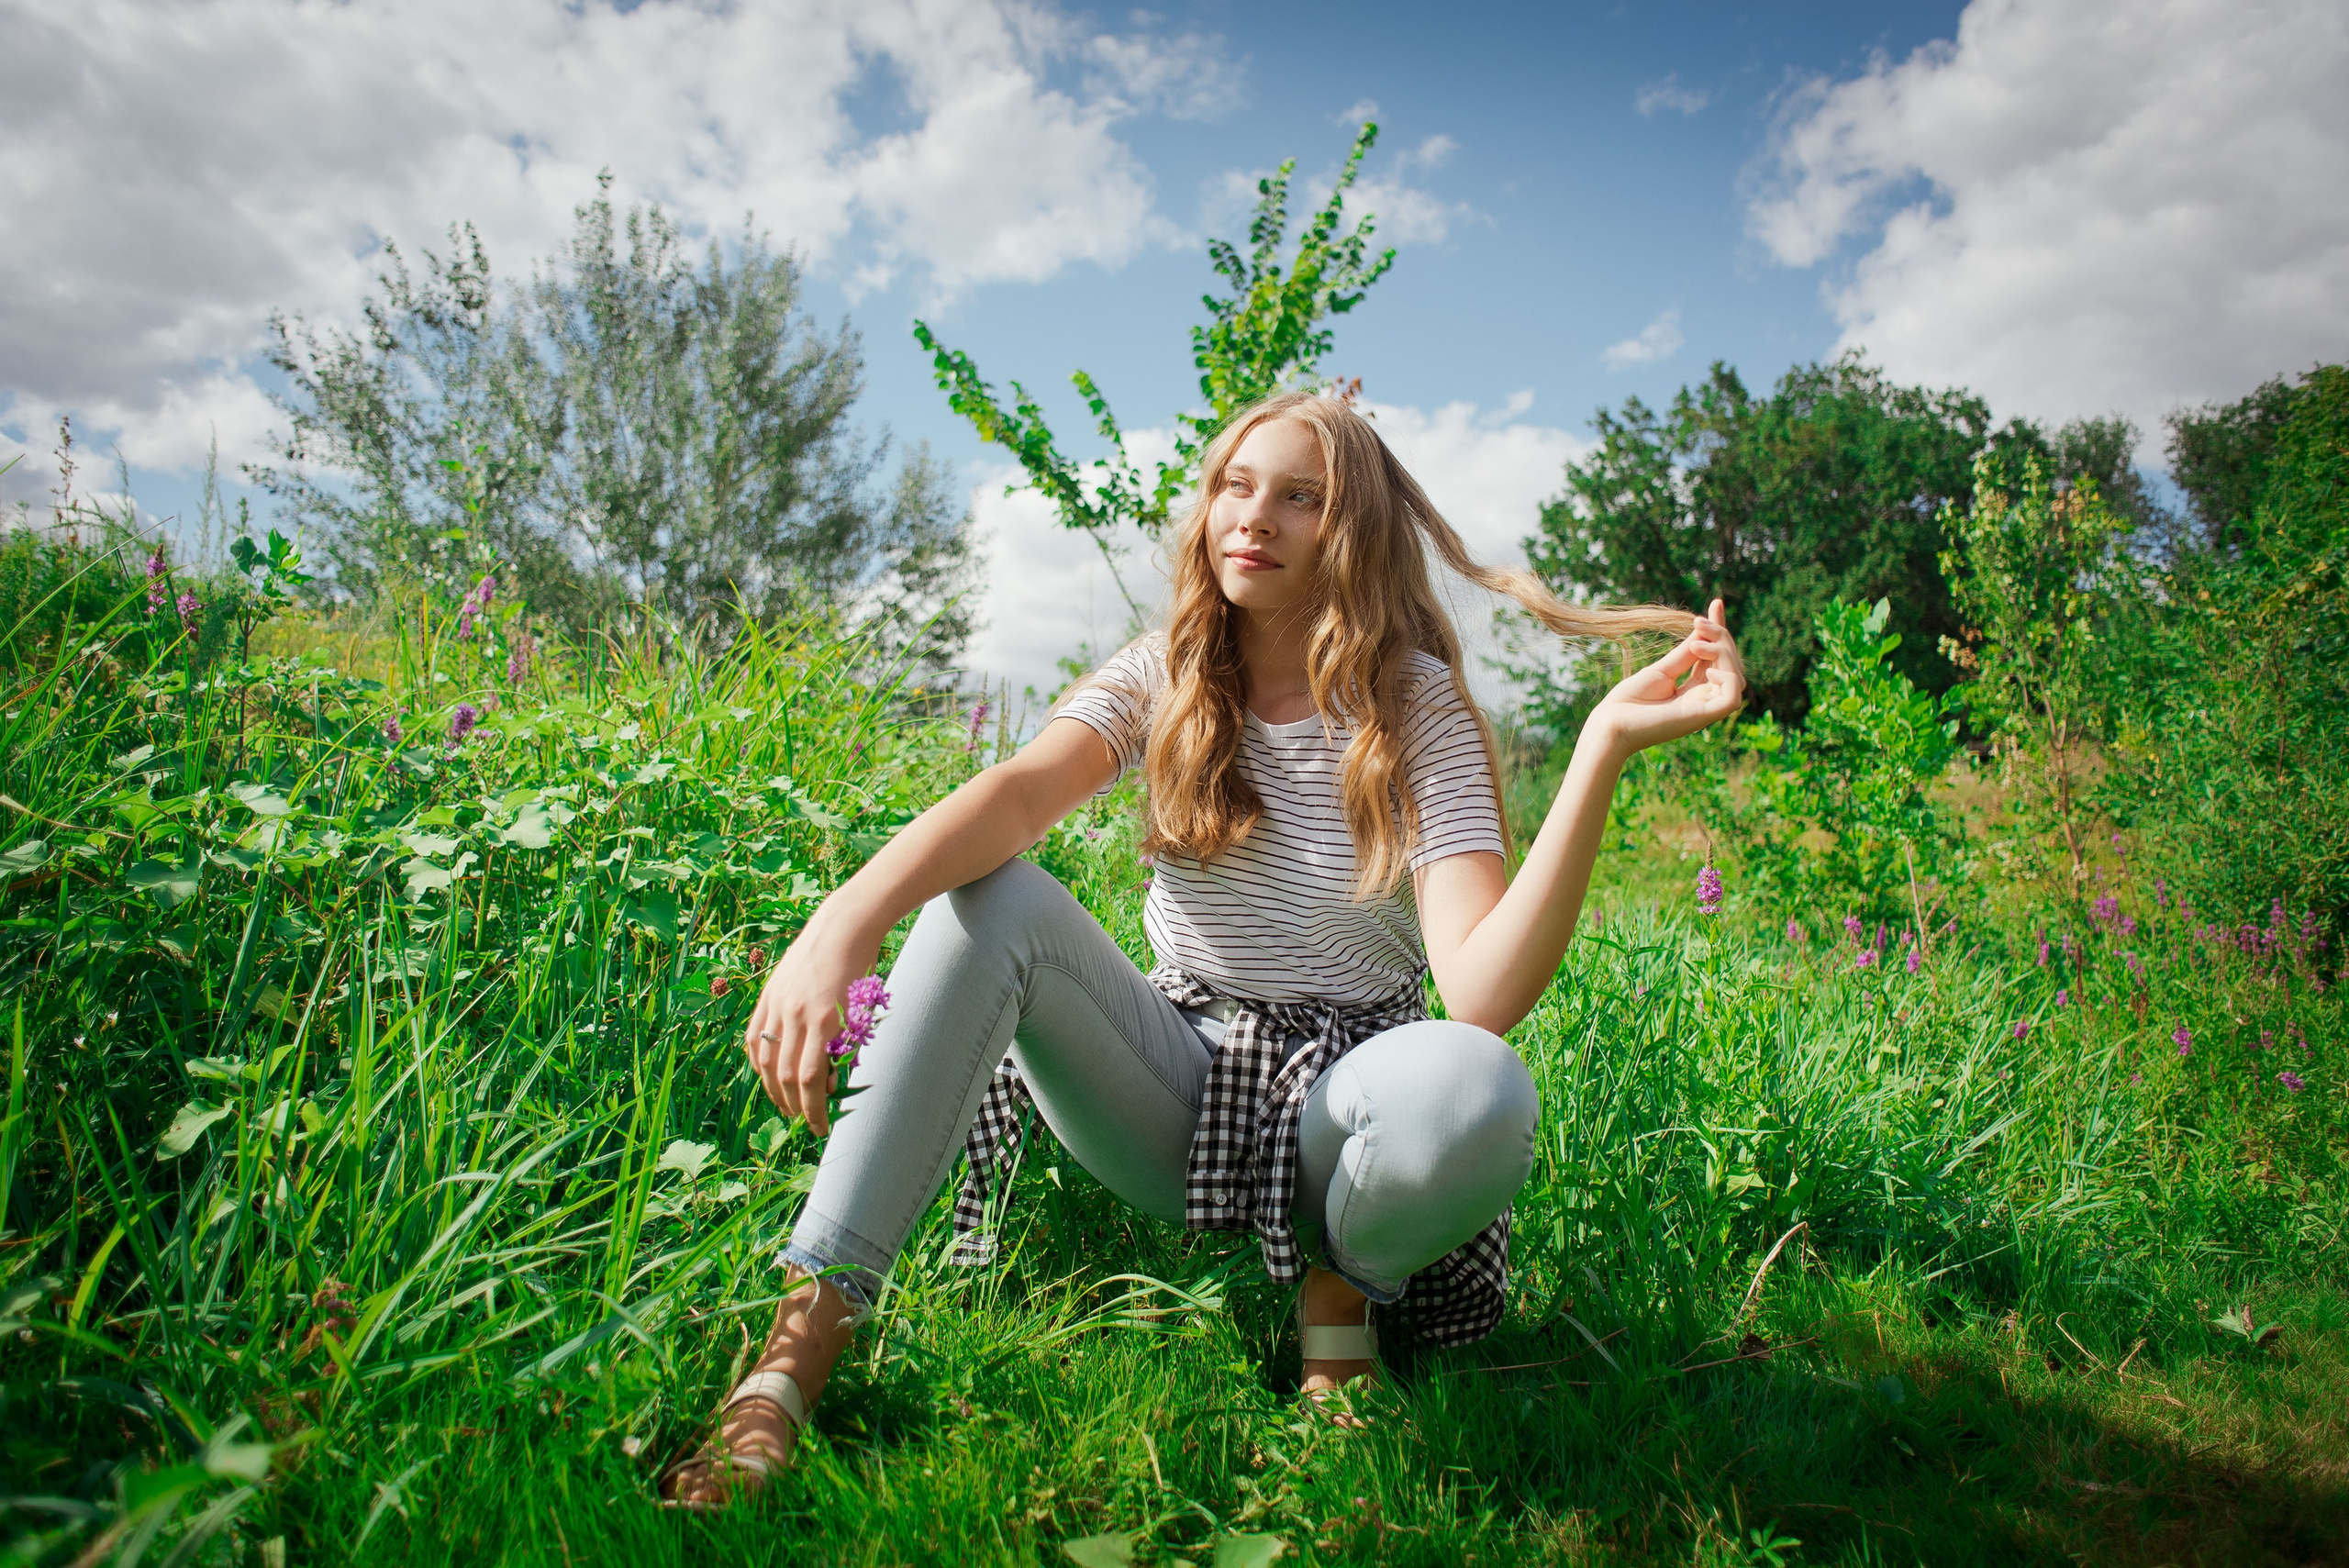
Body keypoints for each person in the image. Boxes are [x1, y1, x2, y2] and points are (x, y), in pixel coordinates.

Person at [662, 391, 1744, 1506]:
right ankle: (793, 1355)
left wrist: (1600, 748)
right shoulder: (1165, 669)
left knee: (1480, 1080)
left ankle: (1338, 1309)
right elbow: (1020, 794)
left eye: (1300, 497)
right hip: (1178, 1085)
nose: (1255, 516)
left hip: (1348, 1111)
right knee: (989, 899)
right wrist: (841, 923)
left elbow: (1479, 990)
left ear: (1353, 530)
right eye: (1236, 484)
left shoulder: (1414, 709)